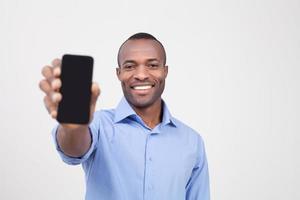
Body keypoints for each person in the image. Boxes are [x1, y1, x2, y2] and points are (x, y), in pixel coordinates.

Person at [39, 32, 210, 200]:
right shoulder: (98, 124)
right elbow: (74, 149)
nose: (141, 75)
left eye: (152, 65)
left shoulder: (192, 141)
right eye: (129, 66)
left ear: (165, 71)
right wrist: (74, 127)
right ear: (118, 73)